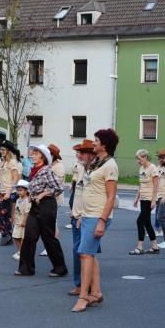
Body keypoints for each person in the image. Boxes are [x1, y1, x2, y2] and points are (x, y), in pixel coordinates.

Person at [72, 129, 118, 313]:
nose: (94, 143)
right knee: (89, 254)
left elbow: (111, 196)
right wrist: (82, 215)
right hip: (88, 215)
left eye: (97, 140)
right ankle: (96, 292)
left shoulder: (110, 165)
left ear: (105, 145)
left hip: (97, 216)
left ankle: (83, 296)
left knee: (85, 255)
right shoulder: (97, 163)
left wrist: (101, 221)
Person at [18, 144, 68, 277]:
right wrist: (31, 196)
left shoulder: (46, 170)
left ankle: (60, 268)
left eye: (35, 154)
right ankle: (26, 268)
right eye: (32, 153)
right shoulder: (34, 170)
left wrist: (43, 194)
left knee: (48, 237)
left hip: (47, 205)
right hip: (35, 206)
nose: (32, 155)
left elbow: (59, 187)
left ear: (43, 157)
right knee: (29, 236)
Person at [67, 139, 95, 296]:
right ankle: (86, 285)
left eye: (82, 152)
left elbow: (91, 197)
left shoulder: (93, 171)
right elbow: (78, 192)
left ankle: (83, 286)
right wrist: (73, 211)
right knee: (82, 252)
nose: (79, 155)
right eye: (79, 152)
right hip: (76, 215)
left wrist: (83, 215)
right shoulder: (81, 167)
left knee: (82, 252)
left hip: (85, 218)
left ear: (91, 155)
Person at [131, 149, 161, 255]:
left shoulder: (152, 168)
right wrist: (136, 198)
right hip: (143, 198)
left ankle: (140, 247)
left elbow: (156, 184)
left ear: (146, 157)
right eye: (137, 159)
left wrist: (153, 200)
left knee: (140, 221)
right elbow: (141, 185)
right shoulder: (141, 168)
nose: (138, 161)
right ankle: (155, 247)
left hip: (149, 198)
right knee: (147, 222)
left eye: (139, 159)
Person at [0, 142, 21, 246]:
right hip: (2, 191)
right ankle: (8, 235)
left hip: (10, 192)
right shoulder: (3, 162)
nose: (1, 151)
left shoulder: (12, 162)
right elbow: (2, 179)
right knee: (1, 215)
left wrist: (8, 192)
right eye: (1, 150)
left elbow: (15, 179)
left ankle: (6, 235)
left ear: (9, 151)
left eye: (3, 150)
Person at [11, 181, 31, 261]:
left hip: (23, 223)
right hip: (17, 222)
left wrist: (25, 221)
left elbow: (27, 212)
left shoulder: (27, 200)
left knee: (22, 238)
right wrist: (13, 218)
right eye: (18, 190)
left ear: (26, 191)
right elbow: (16, 210)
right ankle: (20, 251)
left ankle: (23, 254)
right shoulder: (18, 199)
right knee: (15, 237)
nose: (19, 192)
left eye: (21, 190)